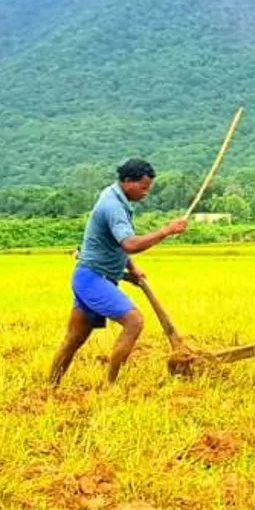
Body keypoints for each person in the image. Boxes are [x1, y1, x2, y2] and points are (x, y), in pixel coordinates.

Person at [49, 158, 188, 386]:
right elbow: (130, 244)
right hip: (93, 278)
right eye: (143, 187)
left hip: (92, 277)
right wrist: (166, 231)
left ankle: (51, 387)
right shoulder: (113, 206)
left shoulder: (116, 198)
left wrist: (131, 268)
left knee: (74, 339)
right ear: (127, 181)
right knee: (134, 321)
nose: (146, 193)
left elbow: (115, 244)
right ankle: (110, 385)